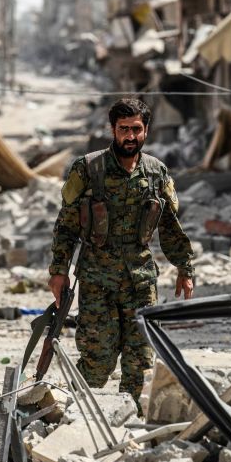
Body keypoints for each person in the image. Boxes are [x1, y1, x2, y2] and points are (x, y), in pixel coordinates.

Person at [47, 98, 195, 405]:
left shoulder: (156, 172)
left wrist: (185, 268)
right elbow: (66, 224)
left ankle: (130, 417)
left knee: (140, 357)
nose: (130, 137)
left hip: (140, 279)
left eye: (136, 130)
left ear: (146, 131)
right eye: (123, 129)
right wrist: (58, 271)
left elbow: (170, 225)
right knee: (97, 357)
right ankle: (82, 416)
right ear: (113, 130)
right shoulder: (88, 169)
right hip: (97, 278)